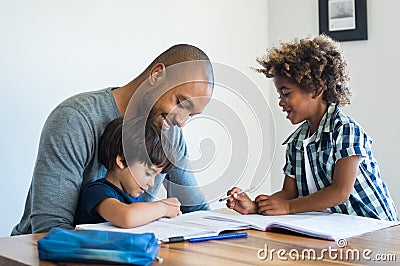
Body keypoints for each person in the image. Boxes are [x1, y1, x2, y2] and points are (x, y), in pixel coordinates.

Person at [12, 44, 214, 235]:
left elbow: (198, 211)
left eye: (191, 115)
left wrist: (244, 212)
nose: (180, 122)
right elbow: (49, 229)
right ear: (157, 75)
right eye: (180, 103)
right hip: (40, 253)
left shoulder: (169, 133)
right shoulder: (75, 119)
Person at [226, 34, 398, 221]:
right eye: (279, 95)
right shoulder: (296, 143)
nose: (281, 103)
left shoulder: (345, 130)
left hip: (376, 228)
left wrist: (289, 207)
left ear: (316, 89)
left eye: (286, 93)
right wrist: (256, 207)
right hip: (338, 230)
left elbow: (340, 192)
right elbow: (288, 193)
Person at [75, 117, 181, 227]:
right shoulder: (98, 192)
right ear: (121, 161)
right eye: (148, 173)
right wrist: (163, 207)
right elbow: (126, 217)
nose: (151, 183)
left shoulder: (135, 200)